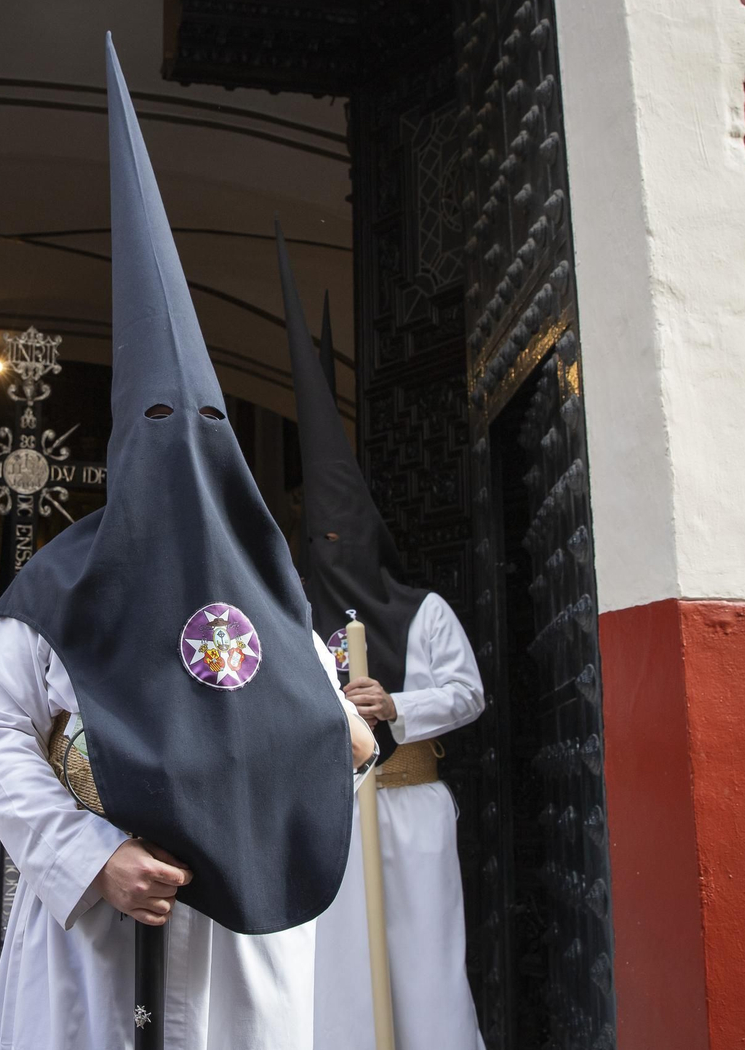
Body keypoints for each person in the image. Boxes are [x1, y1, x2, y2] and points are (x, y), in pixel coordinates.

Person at [0, 37, 377, 1050]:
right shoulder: (59, 586)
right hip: (92, 933)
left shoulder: (264, 583)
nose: (175, 456)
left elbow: (332, 736)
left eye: (195, 429)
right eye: (153, 430)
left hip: (240, 924)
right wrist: (86, 854)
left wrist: (347, 745)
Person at [275, 226, 487, 1050]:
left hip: (412, 807)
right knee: (337, 977)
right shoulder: (294, 618)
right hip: (335, 814)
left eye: (345, 537)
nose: (332, 553)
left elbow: (467, 694)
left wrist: (394, 701)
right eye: (318, 538)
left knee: (425, 966)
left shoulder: (424, 610)